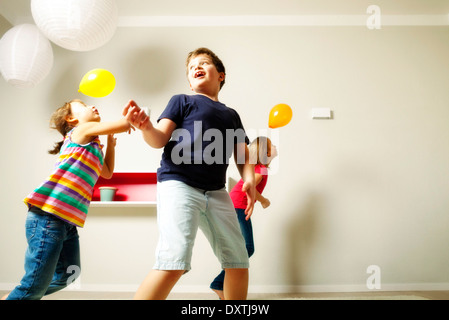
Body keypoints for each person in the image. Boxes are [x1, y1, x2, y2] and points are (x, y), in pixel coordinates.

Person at [123, 48, 256, 300]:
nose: (197, 67)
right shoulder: (182, 101)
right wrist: (146, 126)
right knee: (175, 260)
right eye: (192, 67)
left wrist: (248, 179)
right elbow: (159, 138)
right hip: (179, 184)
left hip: (217, 192)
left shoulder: (231, 115)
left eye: (204, 63)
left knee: (238, 260)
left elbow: (242, 153)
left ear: (221, 75)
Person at [2, 99, 134, 300]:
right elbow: (125, 124)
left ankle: (19, 295)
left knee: (68, 275)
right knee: (34, 287)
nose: (92, 106)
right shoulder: (81, 131)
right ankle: (23, 293)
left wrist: (110, 143)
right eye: (83, 106)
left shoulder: (94, 147)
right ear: (72, 119)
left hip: (67, 222)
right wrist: (133, 116)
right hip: (48, 217)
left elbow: (106, 172)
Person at [209, 136, 278, 299]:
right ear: (266, 152)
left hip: (235, 205)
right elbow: (251, 187)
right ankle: (219, 284)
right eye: (272, 145)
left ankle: (223, 285)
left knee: (241, 248)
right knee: (247, 247)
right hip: (238, 206)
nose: (275, 147)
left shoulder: (259, 168)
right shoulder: (261, 169)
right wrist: (264, 201)